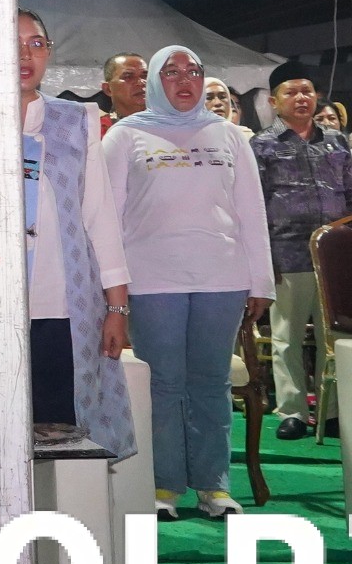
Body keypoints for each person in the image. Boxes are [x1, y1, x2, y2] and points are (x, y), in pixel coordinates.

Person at [0, 11, 136, 462]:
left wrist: (116, 307)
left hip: (63, 308)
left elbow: (99, 217)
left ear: (49, 53)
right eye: (12, 43)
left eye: (36, 44)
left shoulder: (76, 120)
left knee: (61, 436)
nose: (24, 55)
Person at [104, 43, 274, 521]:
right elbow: (106, 216)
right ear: (156, 80)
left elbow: (252, 210)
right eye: (172, 72)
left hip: (223, 277)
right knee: (164, 384)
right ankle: (164, 485)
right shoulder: (124, 136)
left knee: (211, 383)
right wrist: (111, 285)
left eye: (194, 71)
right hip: (151, 279)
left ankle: (214, 486)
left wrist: (260, 280)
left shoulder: (230, 135)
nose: (185, 80)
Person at [250, 73, 352, 441]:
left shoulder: (335, 140)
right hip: (286, 252)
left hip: (334, 256)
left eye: (307, 91)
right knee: (286, 335)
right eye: (292, 92)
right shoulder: (262, 145)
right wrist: (262, 257)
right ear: (274, 102)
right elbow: (254, 205)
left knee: (333, 336)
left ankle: (331, 410)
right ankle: (293, 411)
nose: (302, 98)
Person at [100, 53, 148, 130]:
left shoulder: (166, 124)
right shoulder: (95, 130)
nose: (141, 82)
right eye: (128, 77)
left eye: (145, 76)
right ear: (108, 89)